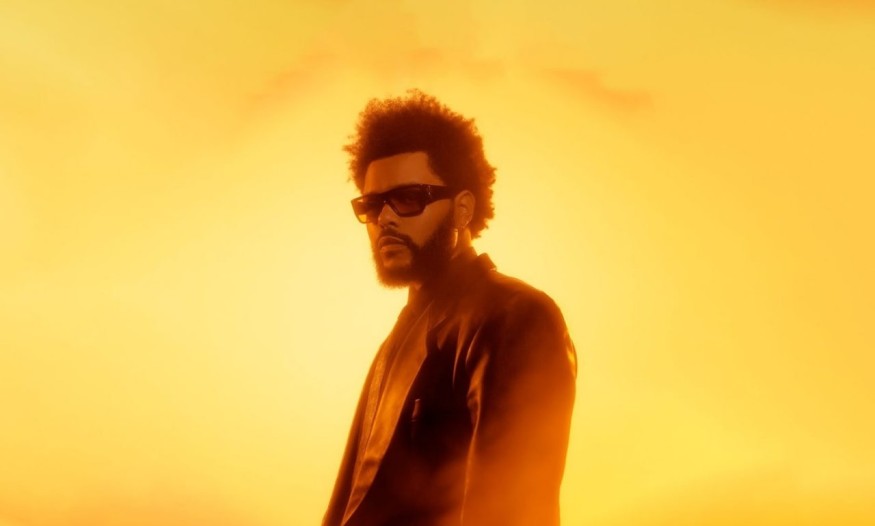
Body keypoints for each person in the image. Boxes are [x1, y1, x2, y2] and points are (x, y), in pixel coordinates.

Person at [323, 90, 577, 526]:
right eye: (372, 205)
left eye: (408, 198)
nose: (385, 218)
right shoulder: (395, 343)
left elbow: (514, 511)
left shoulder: (514, 317)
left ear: (462, 209)